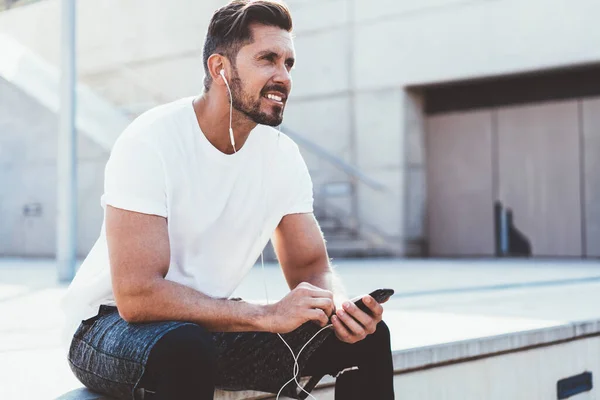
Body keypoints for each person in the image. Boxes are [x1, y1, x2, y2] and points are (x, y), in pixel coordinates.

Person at [61, 1, 394, 399]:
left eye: (289, 63)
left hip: (210, 327)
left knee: (366, 338)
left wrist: (340, 307)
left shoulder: (281, 156)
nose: (283, 76)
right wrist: (265, 315)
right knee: (184, 345)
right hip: (107, 328)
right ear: (220, 68)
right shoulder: (151, 140)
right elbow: (137, 295)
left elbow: (309, 265)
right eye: (267, 59)